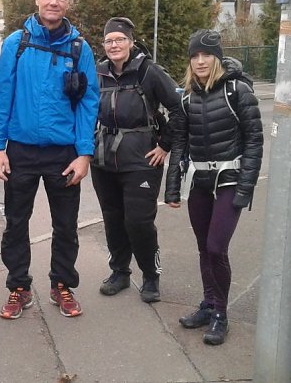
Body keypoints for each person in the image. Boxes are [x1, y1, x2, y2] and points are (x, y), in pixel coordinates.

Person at [0, 0, 100, 319]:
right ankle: (18, 287)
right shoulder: (16, 44)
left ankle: (62, 285)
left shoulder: (79, 48)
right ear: (38, 0)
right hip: (20, 149)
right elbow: (2, 98)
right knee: (15, 222)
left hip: (63, 154)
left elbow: (89, 102)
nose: (54, 3)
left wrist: (84, 154)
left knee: (66, 225)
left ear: (68, 3)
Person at [164, 29, 263, 346]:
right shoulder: (186, 97)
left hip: (229, 182)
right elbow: (179, 143)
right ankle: (208, 305)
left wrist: (245, 188)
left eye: (206, 55)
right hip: (200, 184)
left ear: (218, 58)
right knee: (203, 248)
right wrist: (172, 187)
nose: (200, 61)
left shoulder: (238, 91)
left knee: (217, 248)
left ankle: (221, 313)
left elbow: (254, 143)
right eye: (195, 56)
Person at [90, 17, 184, 303]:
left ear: (131, 42)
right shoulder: (99, 72)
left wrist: (165, 146)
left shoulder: (149, 72)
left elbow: (178, 110)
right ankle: (120, 272)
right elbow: (84, 110)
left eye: (119, 39)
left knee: (139, 222)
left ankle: (150, 276)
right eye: (109, 41)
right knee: (113, 219)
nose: (114, 45)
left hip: (142, 161)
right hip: (104, 161)